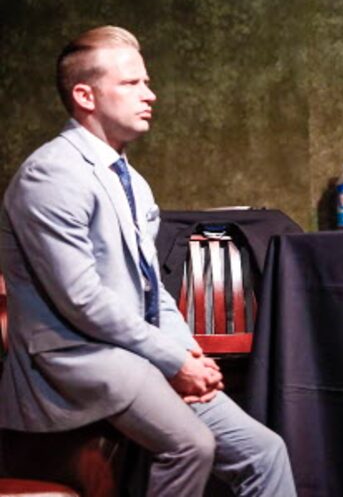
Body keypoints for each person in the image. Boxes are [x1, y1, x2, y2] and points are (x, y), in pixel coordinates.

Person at [0, 26, 296, 496]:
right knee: (191, 445)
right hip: (76, 355)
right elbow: (81, 300)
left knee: (265, 451)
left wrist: (187, 352)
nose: (150, 95)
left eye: (147, 82)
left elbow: (149, 286)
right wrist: (171, 358)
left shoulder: (132, 182)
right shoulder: (50, 175)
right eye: (132, 84)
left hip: (133, 352)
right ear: (85, 95)